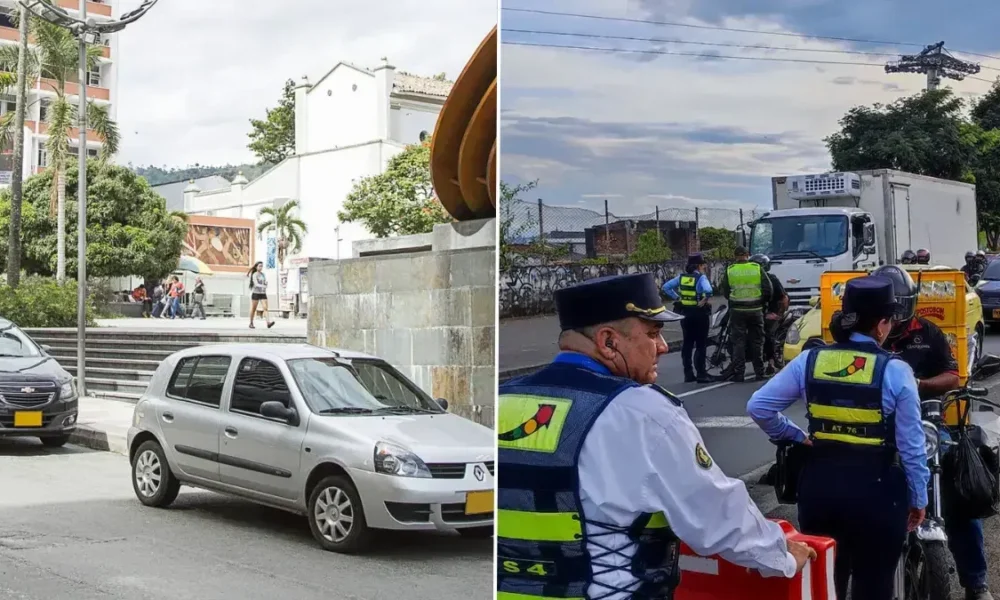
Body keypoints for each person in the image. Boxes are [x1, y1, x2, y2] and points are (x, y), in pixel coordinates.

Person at [497, 273, 816, 600]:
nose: (663, 347)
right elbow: (715, 513)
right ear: (609, 341)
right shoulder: (642, 411)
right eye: (652, 334)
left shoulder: (502, 399)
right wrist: (781, 554)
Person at [746, 275, 929, 600]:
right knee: (873, 586)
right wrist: (918, 497)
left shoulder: (809, 361)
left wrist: (795, 436)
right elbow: (912, 447)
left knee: (824, 585)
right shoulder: (896, 372)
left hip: (820, 492)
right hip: (878, 495)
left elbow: (758, 406)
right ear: (883, 324)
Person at [877, 264, 992, 600]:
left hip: (928, 426)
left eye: (899, 307)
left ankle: (976, 582)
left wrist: (920, 385)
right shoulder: (868, 338)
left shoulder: (927, 332)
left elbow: (953, 377)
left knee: (962, 497)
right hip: (878, 428)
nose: (894, 317)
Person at [720, 246, 772, 382]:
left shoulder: (730, 270)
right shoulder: (756, 267)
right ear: (748, 255)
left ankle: (739, 374)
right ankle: (759, 373)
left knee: (738, 343)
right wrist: (762, 302)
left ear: (735, 256)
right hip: (755, 310)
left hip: (737, 311)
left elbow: (725, 290)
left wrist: (734, 300)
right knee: (757, 342)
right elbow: (768, 289)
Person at [661, 253, 713, 383]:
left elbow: (665, 287)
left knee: (687, 344)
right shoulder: (701, 278)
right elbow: (709, 290)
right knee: (701, 344)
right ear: (699, 266)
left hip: (685, 314)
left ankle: (688, 374)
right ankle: (701, 373)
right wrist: (705, 299)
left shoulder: (681, 277)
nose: (704, 267)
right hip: (700, 314)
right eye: (703, 264)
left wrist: (677, 298)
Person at [751, 254, 788, 376]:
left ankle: (771, 363)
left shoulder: (772, 279)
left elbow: (784, 298)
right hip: (756, 312)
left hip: (771, 313)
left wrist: (778, 315)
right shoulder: (752, 280)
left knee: (767, 334)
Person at [248, 261, 275, 329]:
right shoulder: (254, 274)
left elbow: (264, 283)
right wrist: (263, 286)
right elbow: (256, 284)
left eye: (262, 266)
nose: (261, 267)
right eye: (259, 266)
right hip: (256, 293)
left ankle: (268, 323)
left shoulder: (263, 274)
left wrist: (266, 284)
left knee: (265, 308)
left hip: (263, 293)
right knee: (254, 309)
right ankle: (251, 322)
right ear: (256, 267)